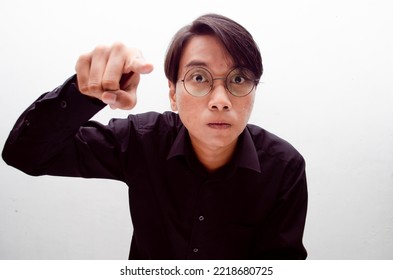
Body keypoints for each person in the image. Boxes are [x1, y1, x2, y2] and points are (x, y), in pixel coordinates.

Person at [2, 13, 308, 260]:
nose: (220, 100)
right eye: (198, 77)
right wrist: (86, 93)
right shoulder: (141, 140)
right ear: (172, 94)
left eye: (238, 79)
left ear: (253, 92)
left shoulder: (284, 167)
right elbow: (25, 154)